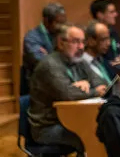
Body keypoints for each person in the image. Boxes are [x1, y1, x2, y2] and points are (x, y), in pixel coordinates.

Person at [29, 24, 107, 153]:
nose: (81, 47)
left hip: (75, 118)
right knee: (90, 137)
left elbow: (101, 83)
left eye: (83, 42)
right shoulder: (49, 65)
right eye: (76, 41)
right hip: (48, 126)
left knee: (104, 130)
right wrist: (93, 91)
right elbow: (67, 94)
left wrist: (86, 83)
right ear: (61, 43)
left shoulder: (79, 61)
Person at [22, 3, 67, 94]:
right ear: (46, 20)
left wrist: (48, 55)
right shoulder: (32, 37)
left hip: (61, 79)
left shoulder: (61, 34)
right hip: (40, 85)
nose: (61, 27)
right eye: (58, 23)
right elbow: (42, 63)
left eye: (63, 23)